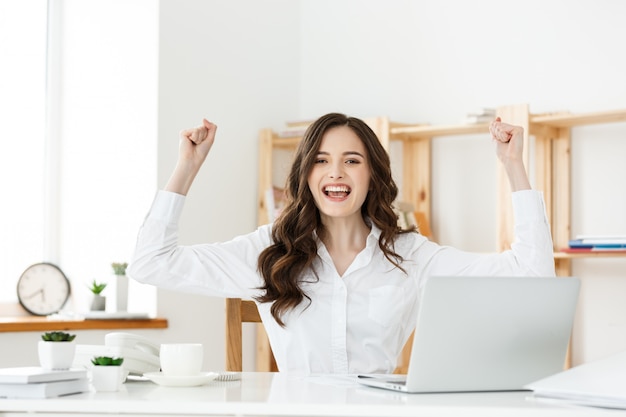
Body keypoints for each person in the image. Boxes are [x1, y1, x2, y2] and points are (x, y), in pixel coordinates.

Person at [128, 113, 555, 374]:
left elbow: (532, 276)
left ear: (372, 176)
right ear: (306, 176)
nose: (336, 173)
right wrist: (187, 167)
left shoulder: (411, 255)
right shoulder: (268, 252)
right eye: (321, 161)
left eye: (352, 161)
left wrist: (513, 166)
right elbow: (150, 264)